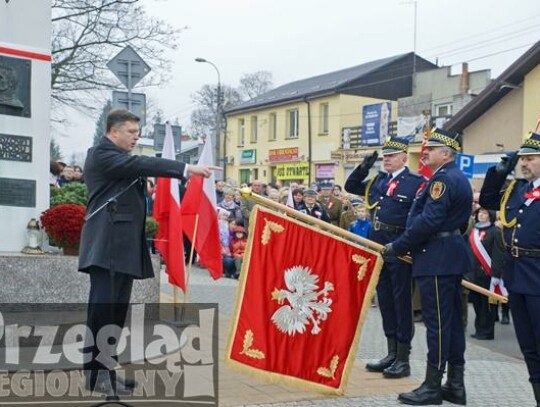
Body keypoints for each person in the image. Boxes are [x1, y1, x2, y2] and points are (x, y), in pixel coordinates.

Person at [78, 109, 218, 395]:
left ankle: (106, 369)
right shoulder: (100, 154)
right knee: (102, 312)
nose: (135, 138)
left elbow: (132, 172)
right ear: (113, 131)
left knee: (116, 313)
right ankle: (93, 374)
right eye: (130, 132)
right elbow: (140, 164)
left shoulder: (118, 158)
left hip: (122, 246)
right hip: (106, 246)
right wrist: (186, 169)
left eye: (137, 133)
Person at [384, 128, 472, 405]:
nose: (426, 153)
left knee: (439, 325)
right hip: (444, 254)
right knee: (453, 323)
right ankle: (455, 385)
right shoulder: (449, 176)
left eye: (431, 149)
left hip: (437, 257)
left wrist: (398, 245)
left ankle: (433, 386)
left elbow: (430, 220)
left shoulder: (443, 180)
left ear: (445, 154)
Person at [345, 137, 424, 380]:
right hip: (378, 247)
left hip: (399, 249)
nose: (386, 159)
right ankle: (391, 353)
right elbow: (351, 186)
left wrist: (407, 246)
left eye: (391, 155)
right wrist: (364, 165)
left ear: (403, 157)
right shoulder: (379, 180)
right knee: (385, 302)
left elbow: (418, 218)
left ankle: (403, 358)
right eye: (384, 156)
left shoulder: (415, 183)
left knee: (401, 304)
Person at [479, 131, 540, 407]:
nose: (524, 163)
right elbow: (489, 201)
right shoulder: (517, 189)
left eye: (530, 158)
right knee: (527, 345)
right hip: (516, 275)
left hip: (538, 275)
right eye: (523, 158)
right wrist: (499, 172)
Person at [467, 207, 505, 340]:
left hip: (488, 274)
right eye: (480, 213)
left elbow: (498, 254)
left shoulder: (495, 232)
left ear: (490, 216)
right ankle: (479, 329)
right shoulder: (474, 231)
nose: (481, 215)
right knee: (477, 303)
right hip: (474, 274)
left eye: (485, 213)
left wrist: (496, 274)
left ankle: (487, 331)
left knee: (487, 305)